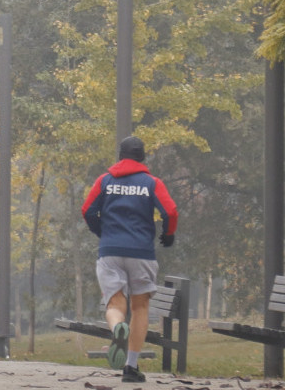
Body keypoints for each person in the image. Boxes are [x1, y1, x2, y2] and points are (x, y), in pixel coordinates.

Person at [80, 136, 178, 384]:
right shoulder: (151, 183)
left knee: (115, 304)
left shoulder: (105, 181)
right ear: (142, 157)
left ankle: (117, 329)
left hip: (110, 251)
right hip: (141, 252)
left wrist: (102, 232)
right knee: (140, 307)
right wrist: (168, 234)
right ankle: (131, 367)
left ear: (120, 156)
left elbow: (87, 210)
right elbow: (170, 211)